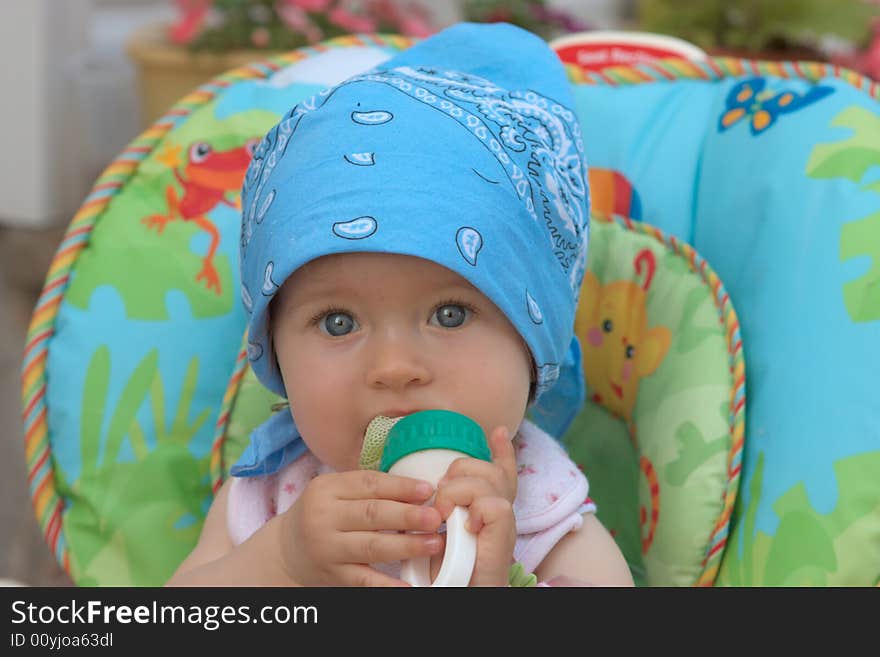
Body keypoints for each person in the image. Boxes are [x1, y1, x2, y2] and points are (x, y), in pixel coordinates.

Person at [167, 21, 633, 587]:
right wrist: (280, 564)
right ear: (277, 357)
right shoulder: (271, 499)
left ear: (535, 349)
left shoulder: (544, 515)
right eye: (338, 323)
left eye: (450, 314)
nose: (394, 369)